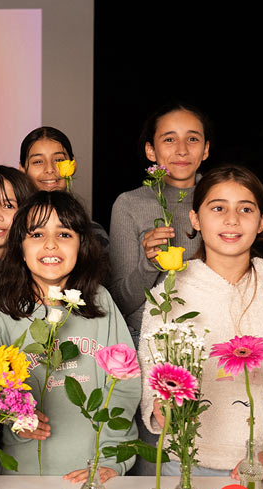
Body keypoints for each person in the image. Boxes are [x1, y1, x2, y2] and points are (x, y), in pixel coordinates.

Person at [139, 164, 263, 479]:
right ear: (195, 219)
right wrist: (160, 407)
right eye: (218, 208)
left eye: (245, 209)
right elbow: (153, 374)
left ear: (261, 222)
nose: (232, 219)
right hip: (184, 470)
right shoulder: (168, 294)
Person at [0, 190, 140, 480]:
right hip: (22, 477)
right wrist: (15, 419)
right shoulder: (0, 312)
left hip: (96, 474)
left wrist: (113, 462)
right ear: (19, 247)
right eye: (36, 234)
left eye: (64, 234)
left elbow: (124, 386)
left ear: (82, 244)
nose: (50, 245)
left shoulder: (100, 302)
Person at [109, 103, 211, 343]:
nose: (182, 150)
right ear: (150, 150)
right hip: (146, 336)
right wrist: (149, 263)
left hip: (208, 331)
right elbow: (120, 302)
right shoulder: (129, 204)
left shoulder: (221, 201)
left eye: (193, 139)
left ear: (206, 149)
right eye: (169, 140)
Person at [18, 126, 109, 253]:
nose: (50, 169)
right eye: (38, 161)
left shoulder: (94, 232)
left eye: (59, 160)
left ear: (73, 165)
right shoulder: (12, 228)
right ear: (22, 169)